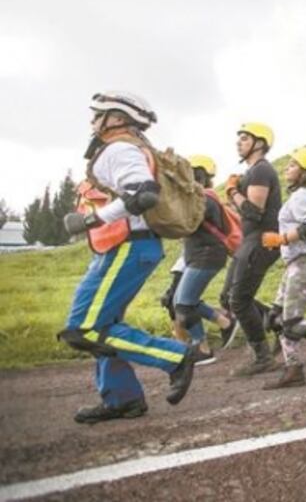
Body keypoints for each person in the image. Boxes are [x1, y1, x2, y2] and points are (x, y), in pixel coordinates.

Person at [60, 92, 195, 423]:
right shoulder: (128, 147)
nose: (93, 121)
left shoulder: (119, 149)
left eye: (98, 115)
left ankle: (176, 357)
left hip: (127, 246)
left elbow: (142, 193)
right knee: (106, 324)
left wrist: (91, 220)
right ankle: (123, 398)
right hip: (131, 246)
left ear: (117, 118)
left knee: (84, 328)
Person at [260, 147, 306, 389]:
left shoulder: (302, 196)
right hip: (295, 263)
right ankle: (293, 369)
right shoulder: (298, 196)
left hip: (304, 262)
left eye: (293, 165)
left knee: (291, 323)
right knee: (276, 317)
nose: (287, 167)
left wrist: (281, 239)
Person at [224, 123, 284, 377]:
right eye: (239, 138)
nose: (239, 142)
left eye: (245, 138)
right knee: (228, 296)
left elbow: (254, 212)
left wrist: (232, 192)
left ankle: (263, 357)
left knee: (239, 299)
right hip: (250, 239)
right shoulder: (251, 172)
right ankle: (277, 322)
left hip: (261, 240)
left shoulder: (261, 170)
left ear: (259, 143)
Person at [170, 155, 235, 366]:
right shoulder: (199, 197)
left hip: (206, 255)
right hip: (199, 256)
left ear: (196, 174)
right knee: (181, 301)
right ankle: (225, 322)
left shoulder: (205, 198)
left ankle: (203, 348)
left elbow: (186, 222)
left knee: (184, 304)